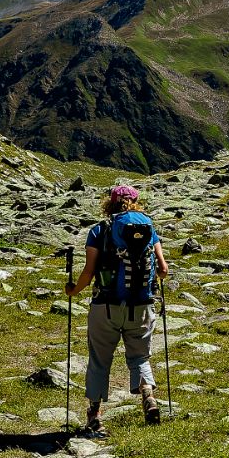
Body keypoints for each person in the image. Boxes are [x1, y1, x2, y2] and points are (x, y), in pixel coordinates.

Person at [64, 183, 169, 436]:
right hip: (142, 305)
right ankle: (148, 397)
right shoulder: (148, 228)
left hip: (105, 306)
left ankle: (95, 416)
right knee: (140, 356)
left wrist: (73, 291)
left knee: (100, 360)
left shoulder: (99, 230)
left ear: (109, 203)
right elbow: (163, 270)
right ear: (136, 202)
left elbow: (89, 273)